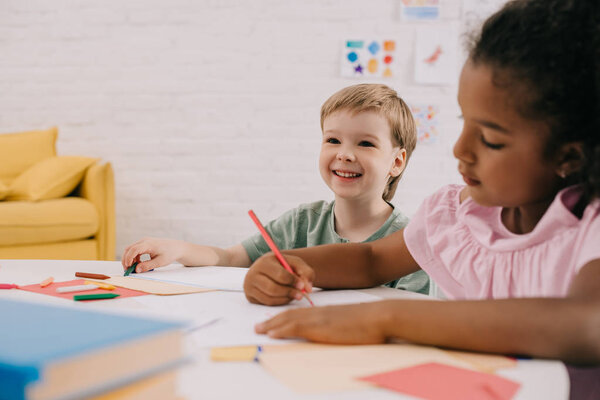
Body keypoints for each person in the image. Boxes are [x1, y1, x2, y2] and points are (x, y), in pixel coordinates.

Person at [245, 0, 600, 367]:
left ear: (569, 157)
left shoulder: (589, 228)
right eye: (465, 122)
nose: (460, 149)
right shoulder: (457, 218)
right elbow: (370, 259)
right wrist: (284, 263)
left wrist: (384, 319)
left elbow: (587, 324)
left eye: (492, 139)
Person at [121, 84, 429, 295]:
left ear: (397, 162)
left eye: (365, 143)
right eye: (333, 140)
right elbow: (231, 258)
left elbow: (414, 319)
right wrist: (179, 249)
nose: (344, 154)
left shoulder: (410, 244)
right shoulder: (301, 223)